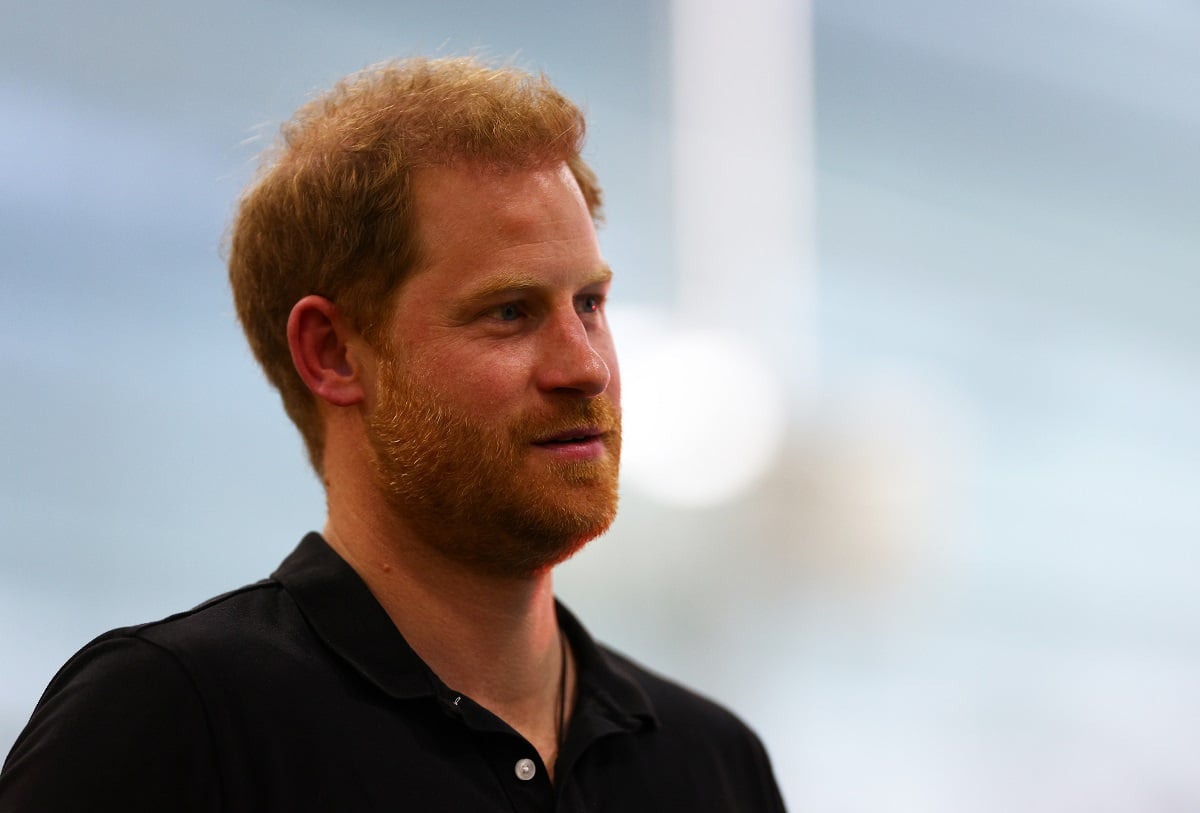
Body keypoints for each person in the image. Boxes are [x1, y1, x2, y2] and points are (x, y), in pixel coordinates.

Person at [0, 56, 786, 811]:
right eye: (508, 311)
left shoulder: (712, 760)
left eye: (589, 303)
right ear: (333, 353)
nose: (584, 367)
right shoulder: (175, 720)